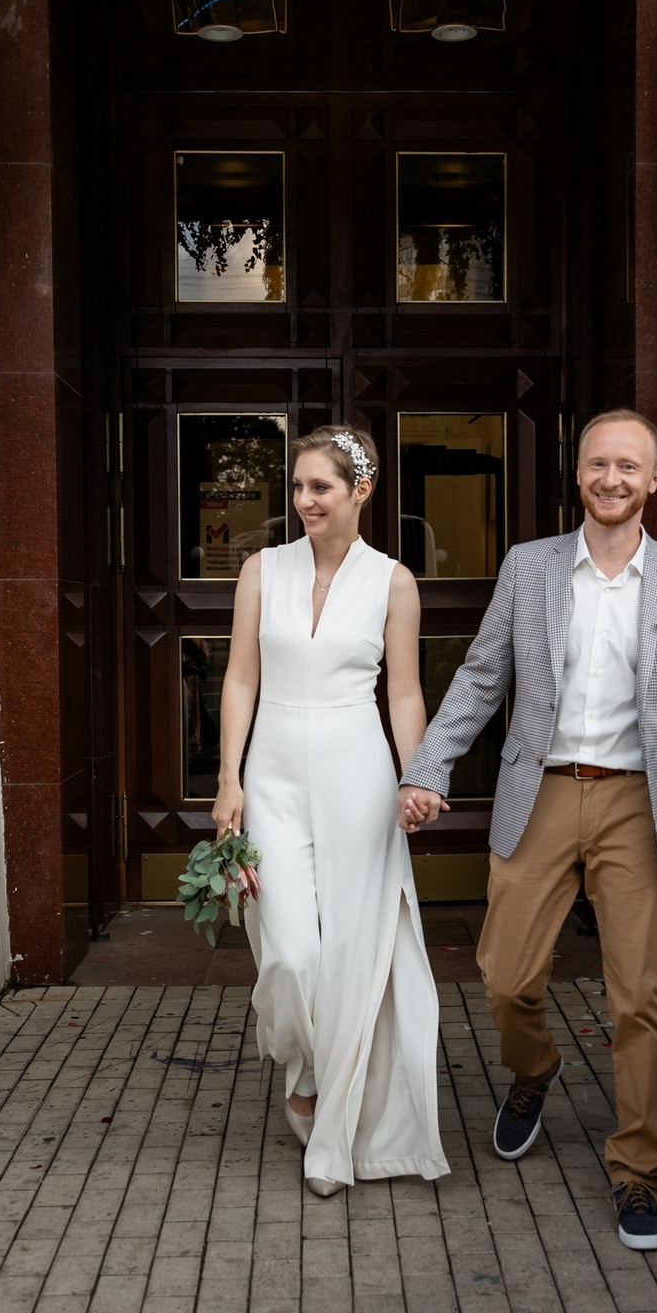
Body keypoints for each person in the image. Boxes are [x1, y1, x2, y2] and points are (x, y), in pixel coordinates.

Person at [399, 409, 657, 1251]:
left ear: (656, 479)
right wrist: (426, 766)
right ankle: (536, 1068)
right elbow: (482, 677)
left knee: (640, 997)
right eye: (598, 463)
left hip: (637, 802)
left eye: (629, 466)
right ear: (577, 473)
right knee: (506, 974)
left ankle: (638, 1170)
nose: (612, 478)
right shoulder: (532, 568)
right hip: (542, 787)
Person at [212, 426, 450, 1197]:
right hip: (272, 767)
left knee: (352, 951)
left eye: (322, 487)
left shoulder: (393, 580)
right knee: (287, 950)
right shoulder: (260, 569)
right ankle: (308, 1064)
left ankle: (336, 1131)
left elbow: (405, 691)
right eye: (299, 487)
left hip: (358, 770)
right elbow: (241, 678)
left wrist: (418, 778)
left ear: (361, 491)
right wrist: (228, 778)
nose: (306, 501)